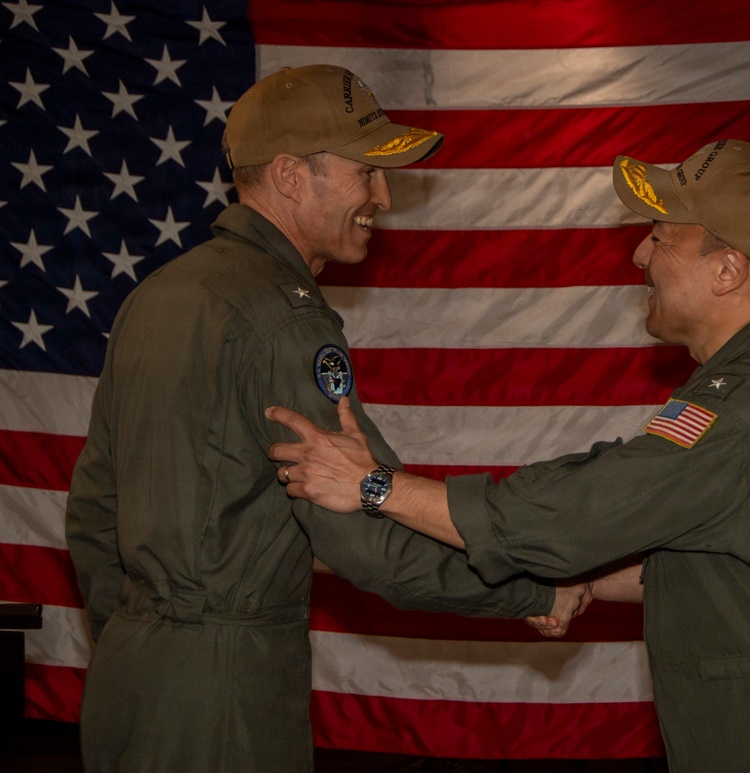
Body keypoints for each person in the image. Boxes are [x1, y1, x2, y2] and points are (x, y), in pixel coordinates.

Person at [266, 140, 750, 771]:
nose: (641, 253)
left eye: (662, 236)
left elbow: (574, 515)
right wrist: (579, 580)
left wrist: (378, 485)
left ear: (727, 270)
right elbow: (713, 559)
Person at [64, 64, 586, 773]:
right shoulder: (285, 319)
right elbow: (369, 534)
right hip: (226, 696)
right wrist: (533, 585)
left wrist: (147, 638)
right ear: (288, 174)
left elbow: (95, 512)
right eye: (365, 172)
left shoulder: (157, 295)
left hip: (133, 680)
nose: (383, 195)